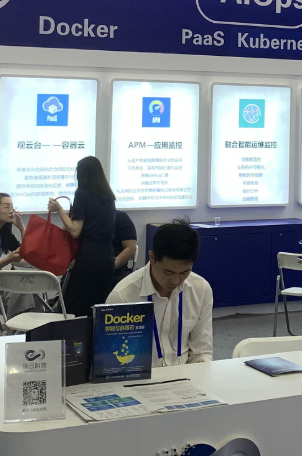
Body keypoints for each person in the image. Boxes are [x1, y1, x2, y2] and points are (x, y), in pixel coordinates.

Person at [106, 219, 213, 365]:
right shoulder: (123, 297)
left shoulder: (200, 289)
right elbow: (114, 360)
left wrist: (201, 363)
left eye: (184, 272)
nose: (176, 281)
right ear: (152, 257)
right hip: (143, 376)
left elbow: (202, 350)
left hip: (186, 374)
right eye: (168, 272)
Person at [48, 156, 117, 317]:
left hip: (89, 256)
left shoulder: (82, 194)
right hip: (107, 255)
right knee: (98, 306)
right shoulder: (108, 196)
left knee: (75, 306)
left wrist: (59, 209)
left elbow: (75, 230)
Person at [111, 210, 138, 285]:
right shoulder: (85, 219)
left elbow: (131, 249)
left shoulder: (120, 217)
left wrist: (110, 267)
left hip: (116, 271)